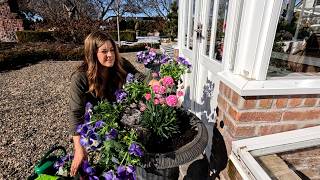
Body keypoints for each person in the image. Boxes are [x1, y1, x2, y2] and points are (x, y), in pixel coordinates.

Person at [68, 31, 141, 176]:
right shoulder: (80, 77)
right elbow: (76, 113)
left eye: (112, 50)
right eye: (104, 51)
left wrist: (154, 82)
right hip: (98, 122)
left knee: (123, 152)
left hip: (119, 114)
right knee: (95, 155)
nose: (110, 55)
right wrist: (79, 148)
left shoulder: (120, 64)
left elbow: (138, 76)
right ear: (92, 53)